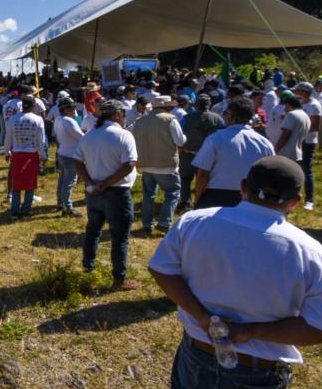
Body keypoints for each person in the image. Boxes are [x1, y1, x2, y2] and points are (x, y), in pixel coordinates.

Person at [148, 156, 322, 389]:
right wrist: (249, 332)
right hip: (260, 368)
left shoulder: (195, 222)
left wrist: (202, 316)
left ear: (243, 187)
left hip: (199, 350)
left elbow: (161, 268)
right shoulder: (311, 254)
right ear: (295, 202)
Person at [73, 100, 140, 290]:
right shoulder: (124, 135)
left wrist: (91, 182)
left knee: (93, 230)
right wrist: (107, 183)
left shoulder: (89, 136)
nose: (125, 118)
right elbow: (129, 164)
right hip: (117, 193)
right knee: (119, 237)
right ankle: (119, 278)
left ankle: (88, 265)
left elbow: (77, 162)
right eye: (123, 115)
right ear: (117, 115)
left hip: (94, 192)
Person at [192, 97, 275, 209]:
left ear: (231, 116)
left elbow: (202, 173)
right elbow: (269, 176)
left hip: (216, 197)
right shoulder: (265, 143)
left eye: (225, 113)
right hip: (250, 198)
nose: (224, 116)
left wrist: (198, 199)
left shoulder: (216, 139)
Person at [132, 96, 186, 232]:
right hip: (166, 165)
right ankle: (164, 222)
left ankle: (147, 223)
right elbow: (180, 141)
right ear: (167, 107)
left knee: (148, 195)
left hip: (145, 164)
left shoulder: (140, 121)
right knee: (173, 193)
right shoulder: (170, 120)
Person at [3, 94, 47, 218]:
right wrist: (43, 155)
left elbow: (8, 138)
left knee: (16, 182)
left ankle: (15, 211)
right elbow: (41, 139)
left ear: (22, 105)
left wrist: (7, 152)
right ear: (34, 106)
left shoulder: (13, 119)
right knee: (30, 183)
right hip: (32, 155)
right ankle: (26, 210)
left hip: (17, 154)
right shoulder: (38, 119)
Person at [176, 94, 223, 210]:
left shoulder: (187, 118)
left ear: (196, 105)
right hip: (209, 156)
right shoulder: (217, 119)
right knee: (205, 180)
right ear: (209, 105)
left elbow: (178, 135)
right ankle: (202, 202)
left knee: (185, 180)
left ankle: (185, 202)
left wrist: (180, 149)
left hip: (189, 154)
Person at [53, 97, 83, 216]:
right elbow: (81, 137)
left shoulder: (59, 119)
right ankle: (67, 207)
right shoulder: (69, 121)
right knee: (69, 181)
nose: (74, 109)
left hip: (62, 152)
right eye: (72, 107)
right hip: (71, 155)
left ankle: (61, 203)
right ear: (65, 109)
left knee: (63, 180)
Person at [293, 81, 321, 210]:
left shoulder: (314, 105)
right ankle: (292, 196)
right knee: (295, 167)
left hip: (308, 141)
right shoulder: (300, 104)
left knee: (306, 169)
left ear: (304, 92)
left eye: (297, 90)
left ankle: (309, 200)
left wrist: (298, 130)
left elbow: (315, 126)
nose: (295, 92)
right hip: (298, 140)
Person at [273, 96, 310, 166]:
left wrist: (275, 150)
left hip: (286, 154)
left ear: (288, 105)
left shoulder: (292, 114)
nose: (284, 108)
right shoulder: (305, 115)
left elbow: (285, 136)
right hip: (297, 154)